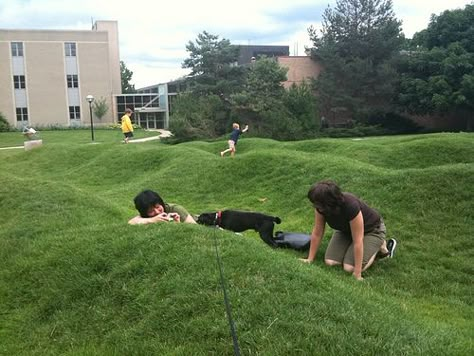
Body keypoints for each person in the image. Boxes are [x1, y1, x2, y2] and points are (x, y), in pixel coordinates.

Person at [300, 180, 397, 280]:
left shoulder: (350, 206)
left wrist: (357, 273)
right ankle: (358, 247)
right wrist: (309, 259)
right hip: (346, 231)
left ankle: (380, 247)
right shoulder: (321, 208)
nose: (315, 206)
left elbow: (358, 241)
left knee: (350, 268)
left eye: (317, 203)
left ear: (328, 202)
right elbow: (317, 232)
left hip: (371, 230)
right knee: (330, 262)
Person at [128, 189, 197, 225]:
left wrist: (177, 224)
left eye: (158, 207)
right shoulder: (147, 216)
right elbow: (130, 223)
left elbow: (195, 229)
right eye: (151, 211)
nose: (157, 212)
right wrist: (152, 220)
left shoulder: (176, 209)